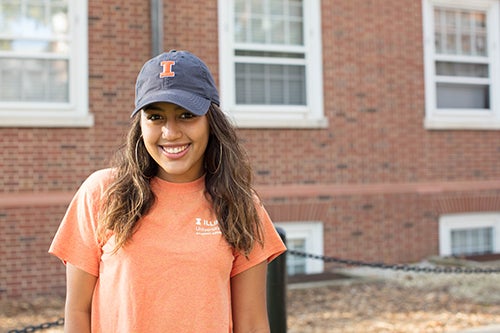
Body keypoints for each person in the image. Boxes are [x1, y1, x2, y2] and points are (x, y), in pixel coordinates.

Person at [49, 50, 286, 332]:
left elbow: (252, 324)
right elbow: (78, 311)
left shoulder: (241, 204)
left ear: (212, 121)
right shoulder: (101, 193)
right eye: (156, 117)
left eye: (186, 115)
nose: (170, 133)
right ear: (140, 125)